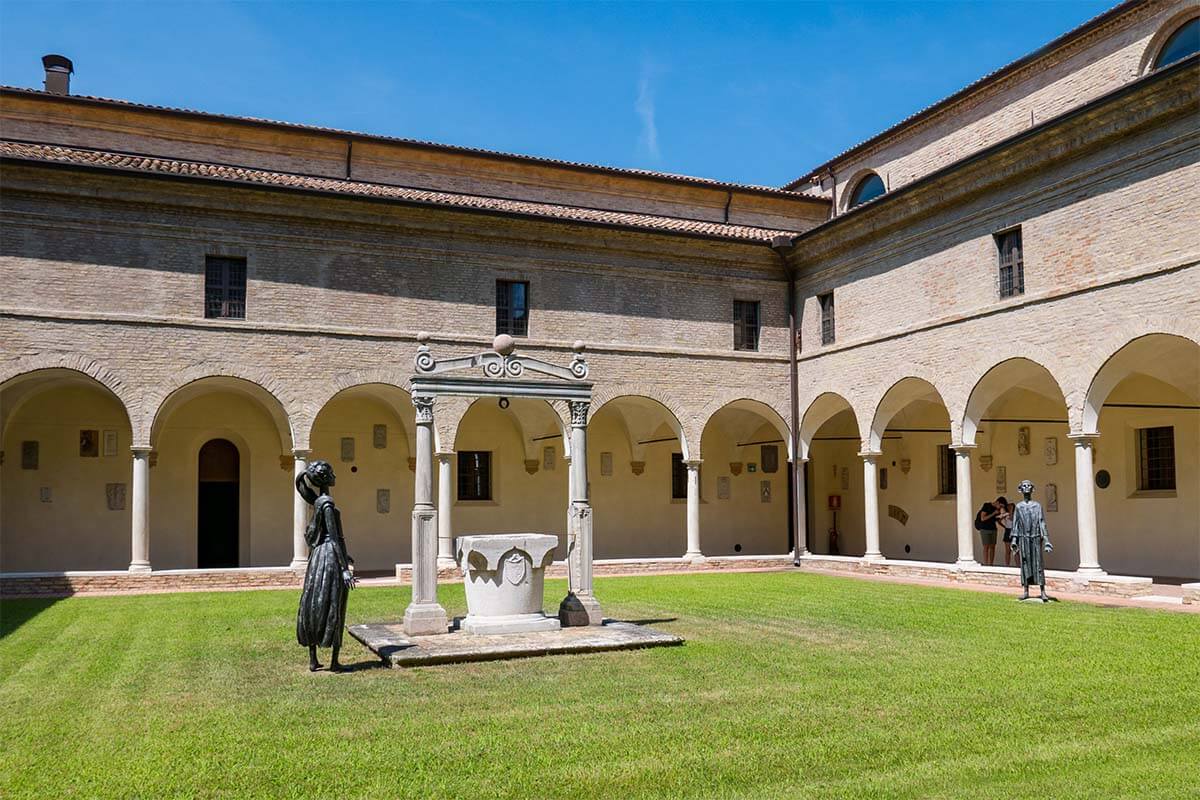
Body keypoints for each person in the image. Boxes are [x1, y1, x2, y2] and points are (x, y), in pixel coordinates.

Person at [295, 460, 356, 672]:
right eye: (332, 473)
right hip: (330, 557)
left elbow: (301, 485)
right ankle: (334, 662)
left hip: (318, 557)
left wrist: (304, 474)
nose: (335, 476)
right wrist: (344, 569)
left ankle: (313, 659)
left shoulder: (318, 501)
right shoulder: (327, 503)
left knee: (314, 603)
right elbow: (335, 538)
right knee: (334, 605)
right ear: (326, 478)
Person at [1010, 479, 1053, 601]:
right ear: (1020, 489)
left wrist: (1046, 541)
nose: (1027, 487)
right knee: (1025, 564)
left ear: (1032, 489)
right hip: (1023, 539)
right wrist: (1014, 541)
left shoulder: (1037, 506)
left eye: (1029, 485)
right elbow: (1016, 524)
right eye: (1024, 486)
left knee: (1038, 564)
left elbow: (1041, 522)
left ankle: (1042, 591)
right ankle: (1025, 590)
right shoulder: (1018, 507)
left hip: (1035, 538)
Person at [974, 500, 999, 565]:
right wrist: (994, 513)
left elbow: (995, 520)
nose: (999, 507)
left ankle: (991, 564)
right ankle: (986, 564)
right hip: (985, 529)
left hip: (993, 529)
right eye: (1000, 505)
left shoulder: (996, 509)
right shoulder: (987, 505)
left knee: (992, 547)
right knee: (986, 547)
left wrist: (1001, 516)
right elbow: (983, 518)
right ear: (998, 502)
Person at [996, 496, 1014, 567]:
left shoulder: (1012, 510)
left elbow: (1011, 518)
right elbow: (999, 520)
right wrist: (1004, 526)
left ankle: (1018, 566)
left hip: (1014, 530)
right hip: (1008, 530)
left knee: (1016, 550)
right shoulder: (1004, 511)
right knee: (1007, 551)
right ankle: (1007, 565)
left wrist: (1010, 512)